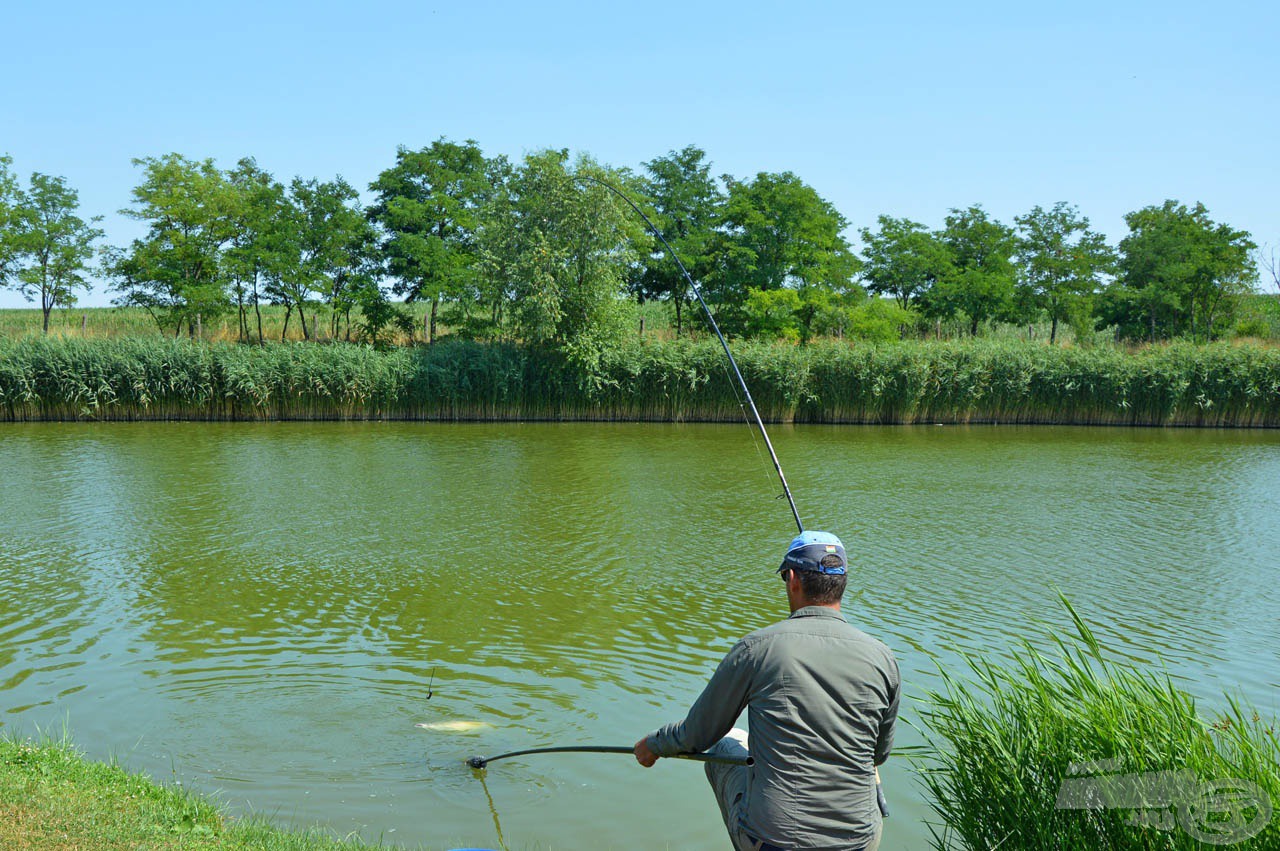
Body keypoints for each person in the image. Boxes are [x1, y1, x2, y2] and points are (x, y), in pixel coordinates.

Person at [633, 530, 900, 851]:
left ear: (792, 579)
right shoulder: (882, 656)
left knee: (727, 743)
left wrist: (654, 744)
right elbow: (878, 755)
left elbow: (698, 734)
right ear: (842, 582)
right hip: (860, 841)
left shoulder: (756, 648)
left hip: (775, 840)